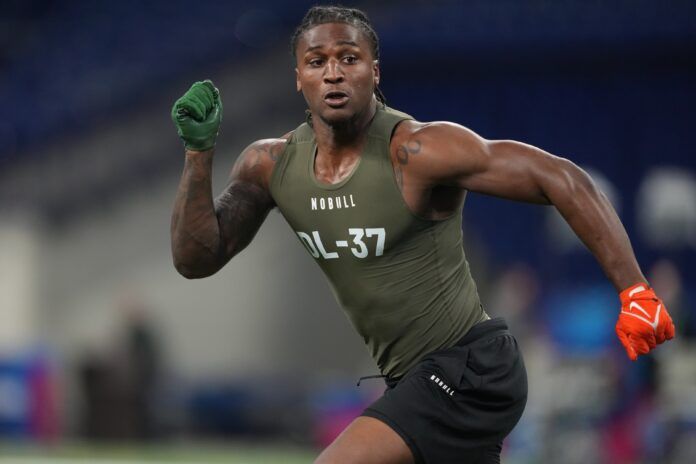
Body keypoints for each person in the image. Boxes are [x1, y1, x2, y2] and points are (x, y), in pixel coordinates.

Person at [169, 6, 675, 464]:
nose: (334, 72)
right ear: (298, 77)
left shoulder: (415, 151)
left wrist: (635, 291)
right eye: (317, 61)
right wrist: (198, 155)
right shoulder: (270, 164)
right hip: (414, 380)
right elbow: (196, 259)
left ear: (375, 71)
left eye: (350, 57)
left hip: (470, 367)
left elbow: (563, 178)